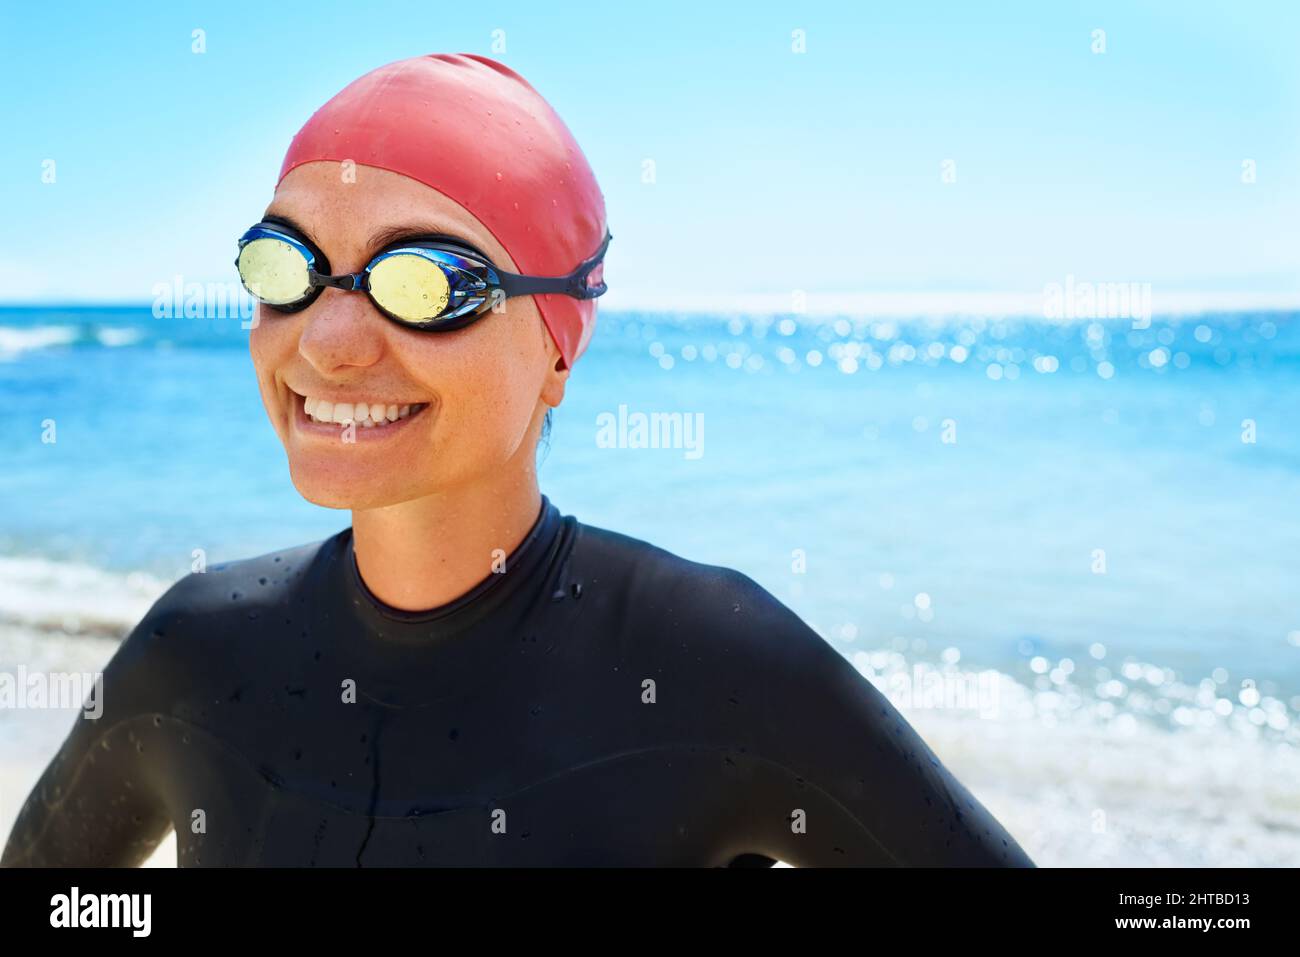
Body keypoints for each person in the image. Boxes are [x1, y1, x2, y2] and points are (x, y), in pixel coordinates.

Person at [2, 53, 1033, 867]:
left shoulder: (711, 669)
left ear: (555, 350)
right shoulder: (198, 651)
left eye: (426, 280)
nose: (327, 341)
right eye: (289, 267)